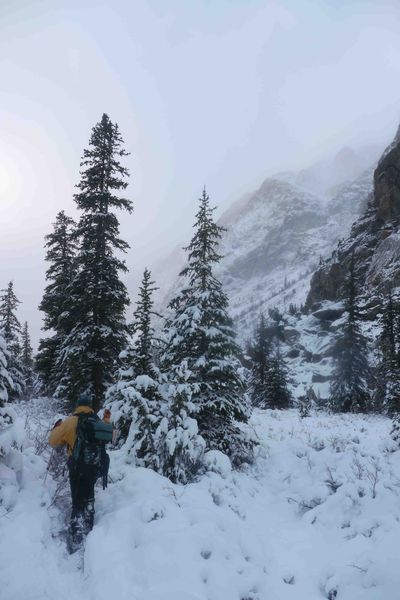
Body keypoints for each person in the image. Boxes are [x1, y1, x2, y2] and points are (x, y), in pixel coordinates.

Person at [49, 392, 112, 553]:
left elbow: (53, 441)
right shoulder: (96, 421)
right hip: (93, 466)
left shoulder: (71, 421)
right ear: (90, 406)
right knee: (89, 495)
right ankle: (89, 531)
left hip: (76, 466)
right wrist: (106, 421)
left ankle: (77, 537)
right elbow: (109, 436)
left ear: (78, 405)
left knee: (77, 498)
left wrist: (57, 428)